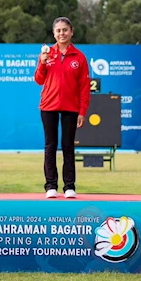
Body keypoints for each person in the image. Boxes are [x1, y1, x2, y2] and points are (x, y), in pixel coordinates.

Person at [34, 17, 91, 199]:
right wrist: (42, 62)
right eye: (58, 30)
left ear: (71, 31)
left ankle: (69, 187)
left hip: (71, 107)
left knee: (68, 146)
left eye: (65, 30)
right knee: (50, 145)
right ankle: (51, 185)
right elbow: (38, 80)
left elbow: (84, 87)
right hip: (48, 105)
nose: (62, 33)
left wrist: (82, 111)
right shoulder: (46, 53)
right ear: (54, 33)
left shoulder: (79, 57)